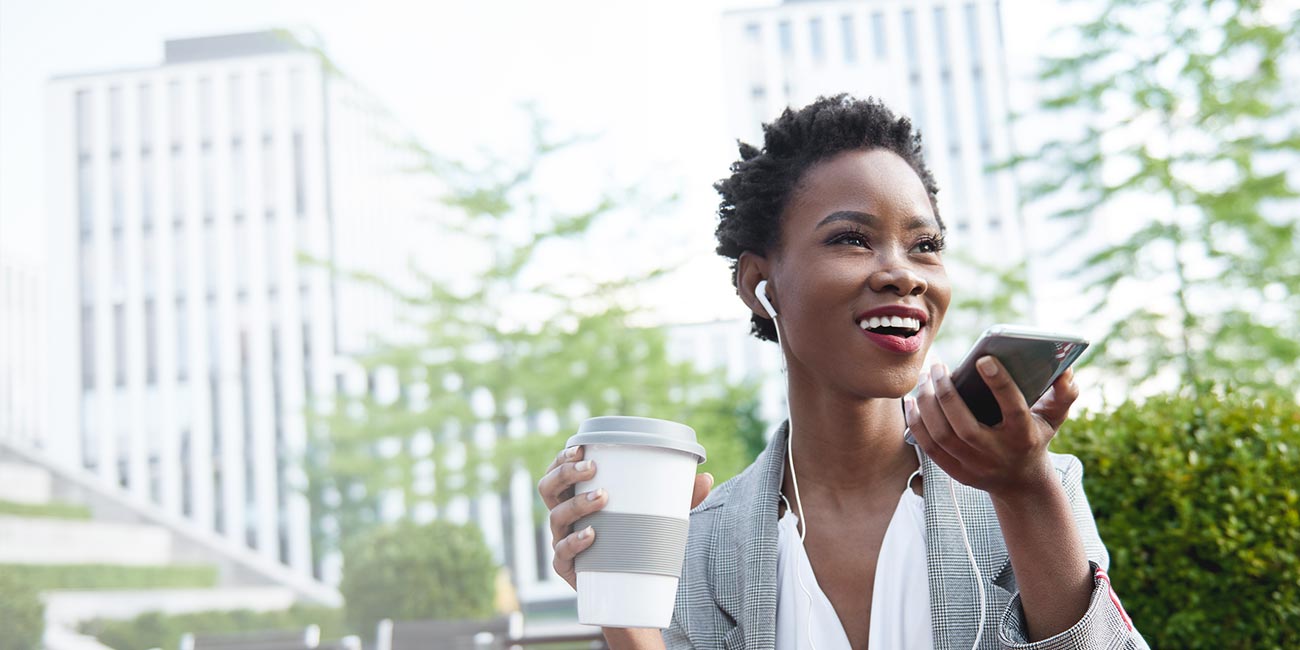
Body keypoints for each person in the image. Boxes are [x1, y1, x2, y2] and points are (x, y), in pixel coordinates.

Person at [537, 95, 1147, 649]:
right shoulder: (701, 543)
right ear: (758, 283)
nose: (902, 273)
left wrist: (1025, 489)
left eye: (925, 245)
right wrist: (622, 603)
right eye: (852, 239)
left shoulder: (1034, 491)